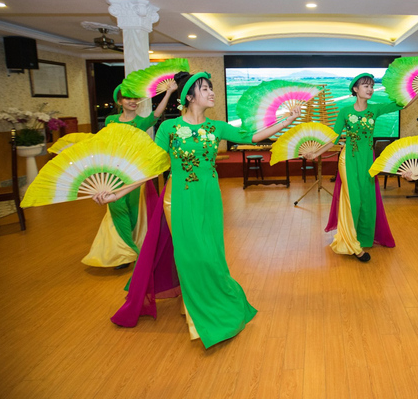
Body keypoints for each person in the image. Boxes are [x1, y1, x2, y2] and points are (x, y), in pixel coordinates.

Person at [96, 71, 301, 348]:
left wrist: (287, 120)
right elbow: (151, 168)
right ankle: (198, 312)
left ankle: (208, 301)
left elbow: (252, 136)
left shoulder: (216, 127)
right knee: (192, 255)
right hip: (178, 200)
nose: (211, 92)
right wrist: (117, 193)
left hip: (209, 199)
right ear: (189, 97)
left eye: (211, 88)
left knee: (211, 254)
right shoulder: (169, 129)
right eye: (205, 89)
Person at [306, 73, 418, 262]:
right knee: (353, 201)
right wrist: (315, 154)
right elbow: (334, 137)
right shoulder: (345, 111)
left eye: (371, 86)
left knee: (367, 201)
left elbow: (403, 104)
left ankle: (362, 238)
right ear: (355, 89)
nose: (370, 89)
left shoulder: (375, 110)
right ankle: (351, 244)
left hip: (368, 160)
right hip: (348, 160)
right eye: (365, 86)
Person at [82, 82, 176, 269]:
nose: (132, 101)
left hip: (134, 172)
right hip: (112, 172)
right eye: (127, 98)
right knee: (117, 208)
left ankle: (131, 249)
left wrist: (169, 92)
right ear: (119, 101)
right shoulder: (110, 120)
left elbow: (157, 114)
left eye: (135, 98)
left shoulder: (141, 122)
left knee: (133, 210)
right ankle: (127, 252)